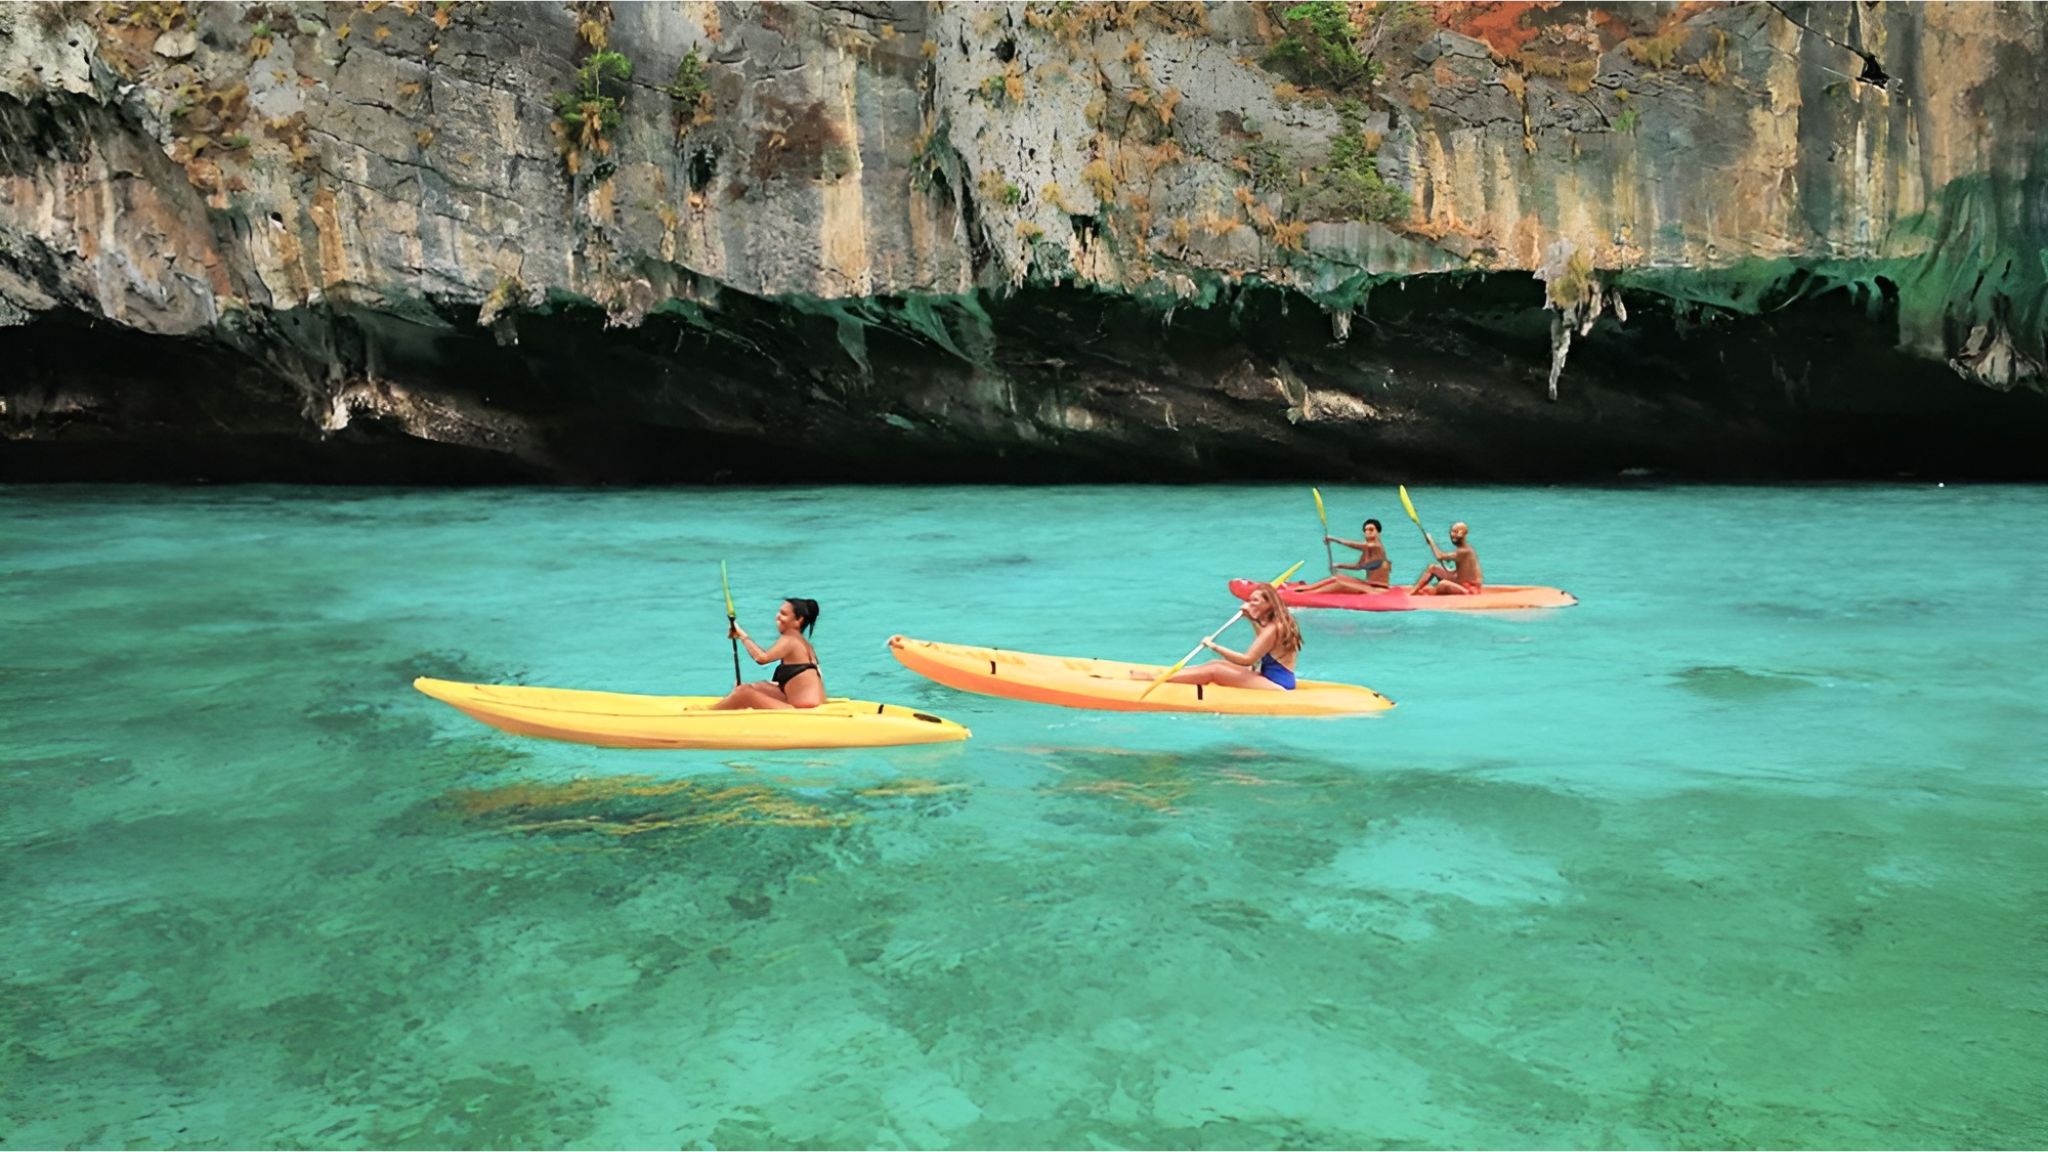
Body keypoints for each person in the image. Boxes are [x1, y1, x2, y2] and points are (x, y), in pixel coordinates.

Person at [1132, 584, 1303, 690]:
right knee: (1215, 664)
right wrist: (1252, 619)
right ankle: (1168, 676)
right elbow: (1265, 645)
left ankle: (1155, 679)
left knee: (1215, 671)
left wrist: (1214, 646)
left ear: (1269, 604)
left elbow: (1247, 660)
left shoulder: (1273, 628)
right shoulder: (1280, 622)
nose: (1249, 604)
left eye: (1254, 601)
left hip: (1277, 684)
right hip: (1272, 677)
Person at [711, 597, 825, 709]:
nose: (778, 617)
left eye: (783, 614)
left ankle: (708, 713)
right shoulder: (804, 643)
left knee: (744, 693)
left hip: (802, 711)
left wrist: (741, 635)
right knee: (757, 686)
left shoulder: (790, 639)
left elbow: (761, 658)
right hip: (807, 703)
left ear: (798, 620)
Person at [1299, 518, 1392, 595]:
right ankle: (1306, 588)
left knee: (1339, 584)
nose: (1367, 532)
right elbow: (1358, 567)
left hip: (1379, 590)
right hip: (1368, 585)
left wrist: (1333, 539)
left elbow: (1354, 545)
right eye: (1366, 530)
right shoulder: (1366, 549)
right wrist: (1339, 565)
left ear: (1378, 532)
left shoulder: (1377, 546)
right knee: (1337, 578)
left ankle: (1306, 595)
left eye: (1371, 530)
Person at [1410, 521, 1484, 595]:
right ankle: (1413, 591)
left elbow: (1440, 556)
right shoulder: (1463, 549)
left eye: (1455, 532)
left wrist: (1431, 541)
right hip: (1461, 582)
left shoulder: (1464, 551)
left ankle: (1427, 594)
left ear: (1462, 534)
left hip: (1470, 590)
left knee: (1442, 584)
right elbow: (1464, 571)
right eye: (1451, 532)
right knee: (1432, 568)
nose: (1451, 535)